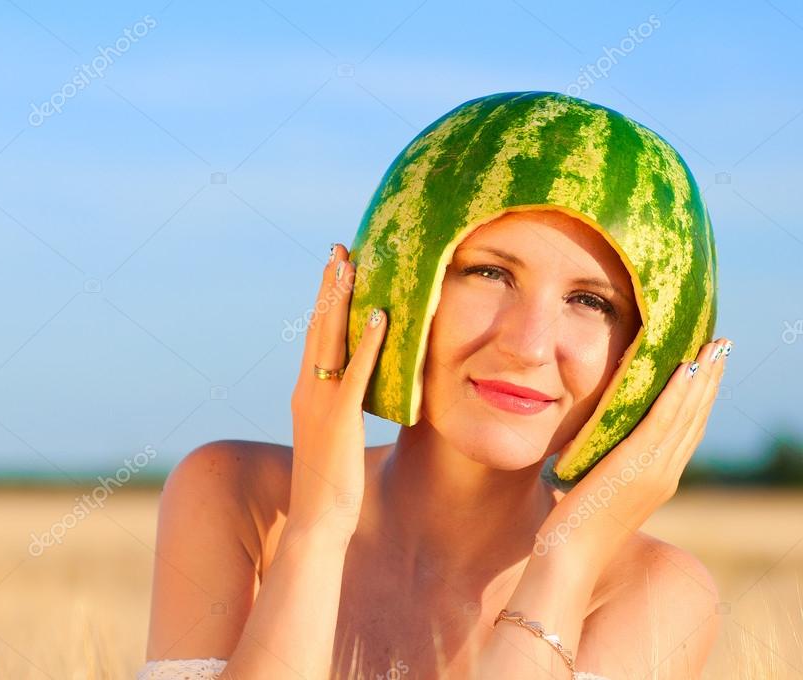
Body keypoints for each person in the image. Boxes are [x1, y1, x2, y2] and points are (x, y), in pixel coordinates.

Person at [137, 208, 730, 679]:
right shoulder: (235, 494)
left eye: (591, 301)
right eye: (491, 273)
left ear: (643, 357)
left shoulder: (654, 591)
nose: (528, 345)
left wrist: (566, 563)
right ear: (403, 284)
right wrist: (316, 531)